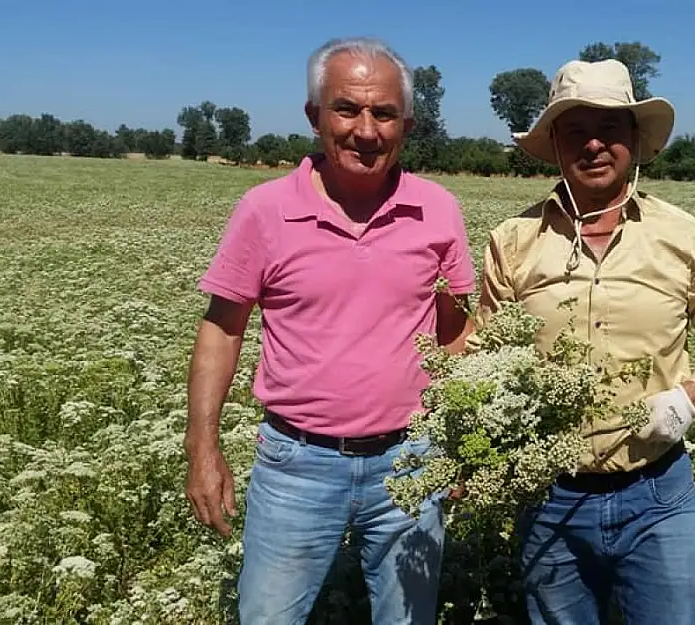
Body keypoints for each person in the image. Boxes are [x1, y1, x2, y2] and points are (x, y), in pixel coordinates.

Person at [182, 36, 476, 624]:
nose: (366, 130)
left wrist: (461, 442)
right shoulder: (264, 211)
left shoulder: (438, 208)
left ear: (407, 124)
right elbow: (222, 328)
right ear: (316, 117)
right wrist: (203, 447)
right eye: (347, 109)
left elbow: (456, 331)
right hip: (296, 464)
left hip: (412, 462)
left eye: (384, 113)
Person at [472, 59, 695, 624]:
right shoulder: (513, 241)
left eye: (611, 130)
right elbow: (485, 356)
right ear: (554, 143)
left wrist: (689, 397)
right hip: (550, 498)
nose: (595, 145)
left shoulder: (686, 237)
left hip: (658, 494)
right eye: (576, 131)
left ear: (635, 142)